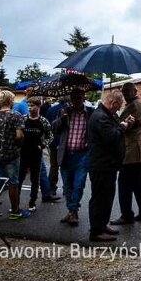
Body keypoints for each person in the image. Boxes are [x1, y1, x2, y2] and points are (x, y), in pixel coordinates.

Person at [87, 90, 128, 241]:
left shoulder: (105, 115)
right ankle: (96, 231)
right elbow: (111, 137)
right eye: (119, 106)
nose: (119, 109)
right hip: (101, 164)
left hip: (108, 164)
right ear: (114, 103)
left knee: (107, 197)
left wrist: (122, 124)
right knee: (100, 198)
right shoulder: (100, 117)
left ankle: (102, 225)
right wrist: (122, 127)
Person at [111, 82, 141, 225]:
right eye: (124, 91)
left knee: (124, 183)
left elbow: (124, 126)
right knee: (136, 183)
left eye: (128, 91)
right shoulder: (135, 105)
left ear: (135, 91)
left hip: (132, 150)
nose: (126, 93)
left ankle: (127, 215)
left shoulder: (134, 106)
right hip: (136, 149)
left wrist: (113, 116)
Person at [0, 90, 29, 219]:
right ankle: (14, 211)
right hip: (11, 154)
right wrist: (19, 143)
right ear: (11, 101)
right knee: (13, 182)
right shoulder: (16, 115)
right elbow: (19, 135)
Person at [53, 88, 94, 226]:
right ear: (70, 98)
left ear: (84, 97)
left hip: (82, 154)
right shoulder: (64, 112)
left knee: (79, 184)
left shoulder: (90, 112)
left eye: (79, 96)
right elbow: (55, 129)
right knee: (67, 186)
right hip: (66, 154)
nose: (76, 99)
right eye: (74, 96)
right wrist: (62, 119)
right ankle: (72, 211)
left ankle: (73, 210)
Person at [18, 97, 52, 212]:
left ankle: (32, 202)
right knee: (19, 178)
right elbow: (17, 133)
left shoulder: (43, 121)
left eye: (32, 106)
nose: (30, 108)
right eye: (28, 106)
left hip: (36, 153)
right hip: (23, 153)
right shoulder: (23, 119)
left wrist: (42, 145)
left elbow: (49, 136)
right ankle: (15, 203)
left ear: (38, 106)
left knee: (35, 179)